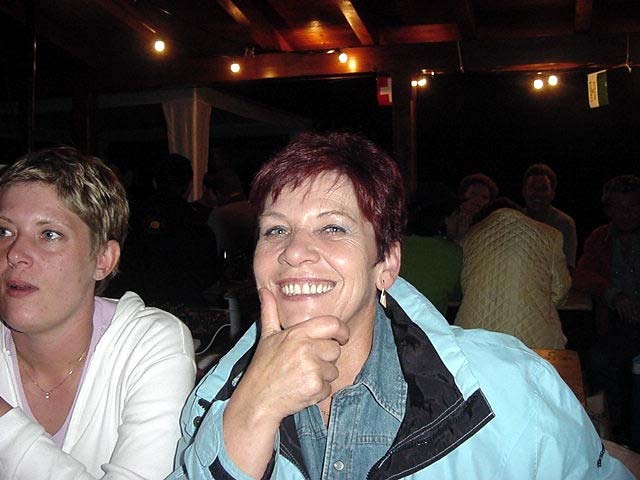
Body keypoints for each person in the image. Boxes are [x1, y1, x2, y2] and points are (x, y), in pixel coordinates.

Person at [168, 132, 632, 479]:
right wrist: (250, 413)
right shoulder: (213, 401)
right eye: (276, 229)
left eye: (332, 227)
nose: (293, 252)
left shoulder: (509, 388)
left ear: (386, 264)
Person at [0, 147, 196, 479]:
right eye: (3, 231)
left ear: (103, 260)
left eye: (49, 234)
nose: (15, 253)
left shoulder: (146, 344)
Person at [573, 174, 640, 447]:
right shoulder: (599, 237)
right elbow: (581, 275)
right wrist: (613, 295)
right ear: (608, 209)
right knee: (597, 361)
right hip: (613, 324)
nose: (626, 213)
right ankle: (612, 435)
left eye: (633, 206)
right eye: (619, 207)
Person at [455, 198, 572, 349]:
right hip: (534, 341)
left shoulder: (469, 237)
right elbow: (561, 289)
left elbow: (464, 287)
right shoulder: (551, 235)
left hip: (474, 339)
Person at [107, 153, 218, 309]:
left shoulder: (131, 218)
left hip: (136, 305)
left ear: (155, 181)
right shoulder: (196, 222)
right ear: (189, 185)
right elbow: (207, 275)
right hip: (182, 307)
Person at [400, 182, 462, 316]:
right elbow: (456, 297)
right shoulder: (453, 253)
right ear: (445, 218)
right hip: (428, 328)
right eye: (457, 215)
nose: (459, 220)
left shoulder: (398, 245)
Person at [522, 163, 577, 267]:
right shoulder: (515, 219)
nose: (537, 193)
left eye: (543, 189)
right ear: (524, 191)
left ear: (552, 194)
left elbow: (568, 267)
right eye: (533, 187)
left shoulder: (564, 224)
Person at [445, 173, 498, 244]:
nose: (478, 200)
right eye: (473, 194)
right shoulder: (447, 213)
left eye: (484, 198)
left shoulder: (488, 226)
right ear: (463, 194)